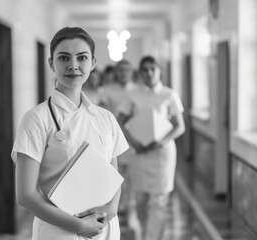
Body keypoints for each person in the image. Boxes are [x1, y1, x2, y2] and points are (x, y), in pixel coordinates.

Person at [11, 27, 129, 240]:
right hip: (58, 231)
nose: (73, 66)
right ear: (51, 64)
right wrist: (79, 226)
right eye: (64, 58)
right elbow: (26, 196)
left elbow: (115, 181)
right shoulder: (36, 119)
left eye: (81, 58)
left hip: (104, 229)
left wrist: (107, 214)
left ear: (92, 63)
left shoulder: (106, 118)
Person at [117, 55, 185, 240]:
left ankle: (153, 238)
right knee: (140, 199)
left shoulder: (169, 95)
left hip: (162, 154)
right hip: (139, 152)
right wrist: (133, 141)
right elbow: (120, 122)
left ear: (159, 70)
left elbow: (180, 126)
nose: (148, 73)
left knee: (159, 201)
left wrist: (162, 141)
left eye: (152, 69)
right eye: (144, 70)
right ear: (140, 73)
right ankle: (145, 230)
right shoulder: (132, 95)